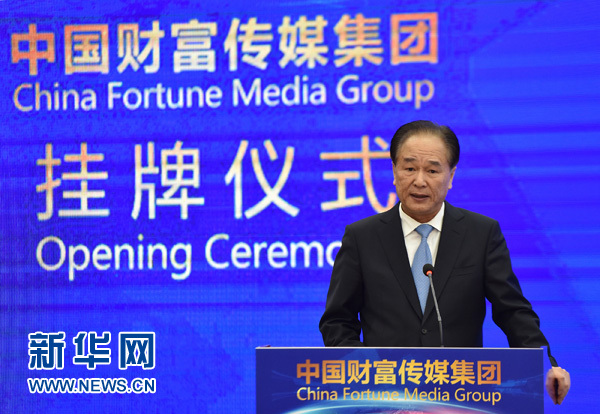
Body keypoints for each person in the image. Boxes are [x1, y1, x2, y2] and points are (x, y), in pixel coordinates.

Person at [319, 120, 570, 404]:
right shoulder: (362, 237)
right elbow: (337, 320)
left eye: (432, 170)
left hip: (461, 396)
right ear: (394, 171)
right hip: (385, 397)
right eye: (409, 168)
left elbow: (512, 311)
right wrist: (360, 363)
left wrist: (543, 363)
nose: (419, 181)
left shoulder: (481, 234)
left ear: (451, 176)